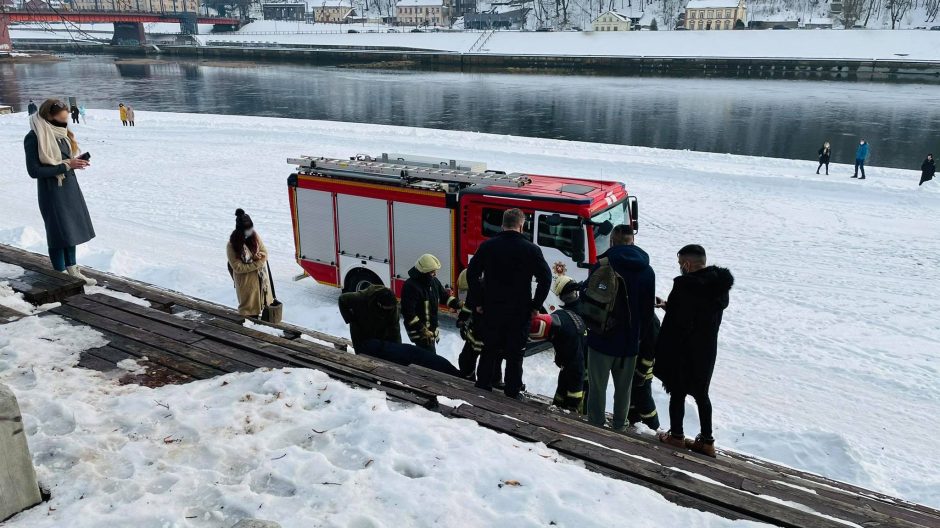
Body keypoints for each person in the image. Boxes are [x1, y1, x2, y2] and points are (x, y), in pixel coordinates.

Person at [655, 245, 734, 458]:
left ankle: (677, 436)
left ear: (687, 264)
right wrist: (669, 306)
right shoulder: (719, 286)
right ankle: (707, 442)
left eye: (681, 264)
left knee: (677, 391)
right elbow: (698, 312)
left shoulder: (685, 285)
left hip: (683, 349)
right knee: (702, 394)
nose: (681, 268)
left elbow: (680, 321)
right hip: (707, 349)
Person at [466, 208, 552, 400]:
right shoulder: (531, 249)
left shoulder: (488, 246)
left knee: (489, 349)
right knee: (515, 355)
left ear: (502, 224)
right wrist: (536, 306)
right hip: (519, 311)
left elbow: (471, 273)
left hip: (492, 308)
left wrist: (479, 301)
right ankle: (512, 391)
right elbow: (546, 279)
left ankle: (483, 386)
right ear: (521, 225)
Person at [584, 224, 655, 432]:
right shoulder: (647, 271)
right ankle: (619, 426)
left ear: (612, 241)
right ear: (632, 241)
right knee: (624, 389)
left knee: (598, 387)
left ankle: (595, 425)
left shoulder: (602, 264)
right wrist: (638, 337)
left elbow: (589, 297)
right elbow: (647, 313)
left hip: (601, 338)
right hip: (629, 341)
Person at [23, 99, 96, 285]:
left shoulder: (61, 135)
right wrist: (67, 165)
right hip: (51, 192)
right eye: (61, 119)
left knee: (70, 229)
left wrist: (74, 162)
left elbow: (62, 161)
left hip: (69, 188)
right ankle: (60, 274)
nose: (65, 123)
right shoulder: (34, 137)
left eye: (66, 119)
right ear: (49, 117)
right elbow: (35, 172)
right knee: (57, 233)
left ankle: (73, 269)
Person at [338, 284, 460, 376]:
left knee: (410, 353)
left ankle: (453, 373)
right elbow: (342, 300)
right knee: (367, 357)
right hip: (363, 336)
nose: (389, 310)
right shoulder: (360, 298)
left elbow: (394, 328)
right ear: (378, 304)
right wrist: (351, 319)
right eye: (386, 308)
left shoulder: (392, 308)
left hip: (381, 337)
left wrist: (397, 350)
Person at [529, 285, 587, 412]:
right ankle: (560, 403)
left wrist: (573, 405)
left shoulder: (569, 336)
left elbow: (578, 369)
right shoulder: (559, 316)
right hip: (569, 361)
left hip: (580, 364)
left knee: (576, 388)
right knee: (564, 382)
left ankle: (575, 410)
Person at [400, 254, 460, 353]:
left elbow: (445, 297)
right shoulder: (410, 286)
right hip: (420, 333)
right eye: (432, 272)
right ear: (423, 272)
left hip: (430, 332)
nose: (435, 274)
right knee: (428, 360)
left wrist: (458, 304)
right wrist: (422, 330)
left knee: (427, 359)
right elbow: (408, 313)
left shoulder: (433, 282)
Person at [226, 209, 273, 318]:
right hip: (246, 282)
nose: (250, 231)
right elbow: (237, 267)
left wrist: (259, 256)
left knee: (263, 305)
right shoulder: (232, 245)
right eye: (247, 229)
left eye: (251, 228)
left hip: (260, 279)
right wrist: (258, 263)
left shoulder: (254, 236)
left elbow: (264, 252)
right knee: (249, 311)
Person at [628, 314, 661, 431]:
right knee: (631, 398)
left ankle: (654, 428)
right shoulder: (638, 313)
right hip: (632, 366)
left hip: (643, 370)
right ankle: (633, 423)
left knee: (644, 400)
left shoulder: (651, 321)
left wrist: (641, 371)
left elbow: (650, 351)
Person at [456, 269, 485, 380]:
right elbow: (467, 306)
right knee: (465, 360)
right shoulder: (474, 290)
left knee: (487, 367)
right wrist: (461, 321)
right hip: (475, 334)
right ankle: (469, 378)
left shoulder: (489, 292)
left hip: (486, 336)